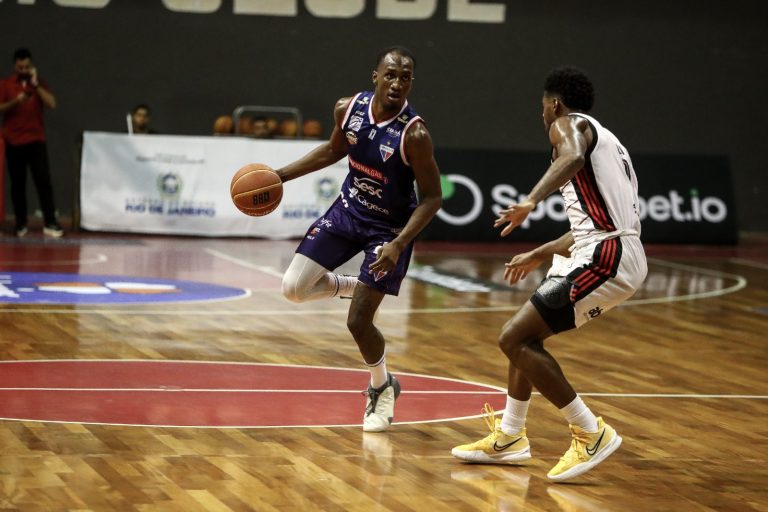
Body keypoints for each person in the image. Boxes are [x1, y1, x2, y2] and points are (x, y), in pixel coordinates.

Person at [451, 67, 647, 482]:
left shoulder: (567, 125)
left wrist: (529, 202)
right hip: (608, 248)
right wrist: (541, 252)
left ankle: (590, 432)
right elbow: (597, 222)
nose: (542, 115)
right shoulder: (609, 140)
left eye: (542, 107)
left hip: (606, 255)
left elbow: (571, 158)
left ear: (554, 104)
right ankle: (510, 436)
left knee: (513, 338)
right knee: (525, 338)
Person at [273, 46, 442, 432]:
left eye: (405, 78)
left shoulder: (414, 134)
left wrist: (399, 244)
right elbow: (333, 150)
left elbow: (433, 198)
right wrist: (280, 176)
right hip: (347, 212)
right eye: (390, 75)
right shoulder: (347, 109)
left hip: (388, 231)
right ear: (375, 76)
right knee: (293, 289)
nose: (397, 83)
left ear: (411, 83)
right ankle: (354, 286)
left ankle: (382, 386)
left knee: (359, 322)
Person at [0, 48, 62, 238]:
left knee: (43, 181)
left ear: (31, 66)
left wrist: (36, 85)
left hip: (36, 140)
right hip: (14, 140)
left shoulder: (39, 83)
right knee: (18, 184)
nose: (24, 70)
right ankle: (20, 223)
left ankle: (50, 222)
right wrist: (16, 102)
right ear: (15, 66)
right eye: (20, 67)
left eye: (27, 66)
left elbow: (52, 103)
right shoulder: (6, 84)